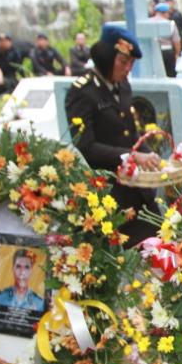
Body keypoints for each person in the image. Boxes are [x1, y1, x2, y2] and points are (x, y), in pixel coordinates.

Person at [65, 25, 158, 246]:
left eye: (131, 64)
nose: (128, 69)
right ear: (106, 58)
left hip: (137, 191)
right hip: (108, 193)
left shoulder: (123, 86)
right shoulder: (83, 92)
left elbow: (130, 133)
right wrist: (131, 156)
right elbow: (86, 146)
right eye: (123, 62)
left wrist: (151, 156)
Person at [0, 250, 46, 314]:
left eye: (26, 267)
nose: (22, 273)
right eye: (18, 267)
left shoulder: (40, 303)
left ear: (31, 271)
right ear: (13, 269)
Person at [148, 3, 182, 75]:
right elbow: (176, 41)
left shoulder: (148, 23)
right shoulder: (170, 24)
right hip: (167, 52)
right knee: (169, 74)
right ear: (165, 13)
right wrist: (177, 54)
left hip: (151, 52)